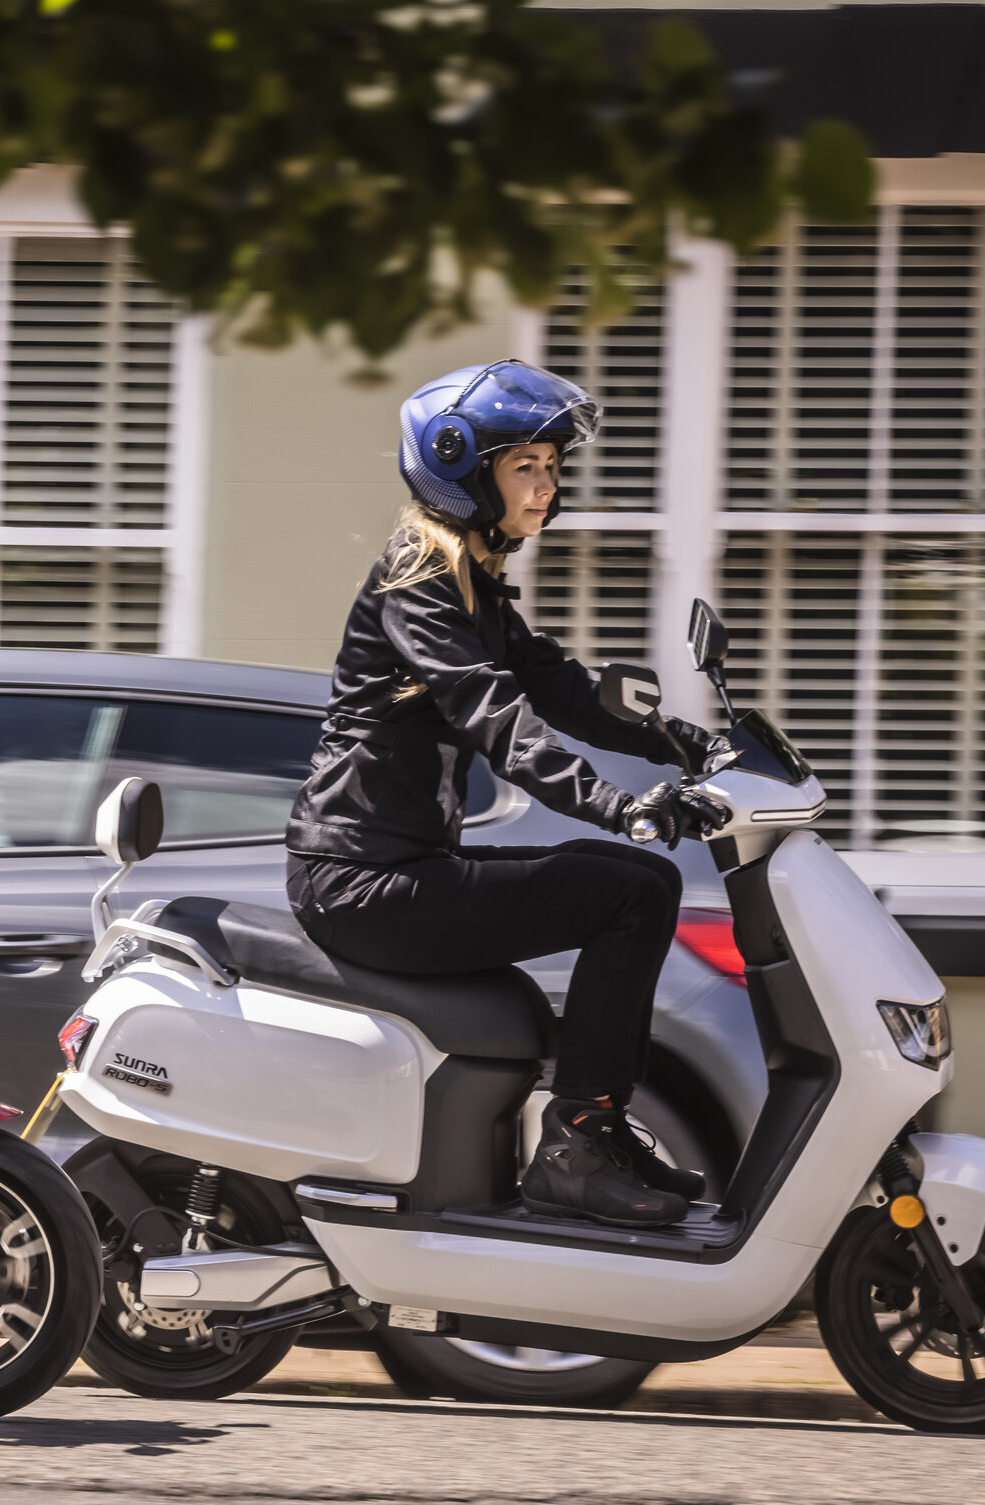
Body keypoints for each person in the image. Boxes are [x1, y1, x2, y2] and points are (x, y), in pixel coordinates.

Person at [284, 360, 729, 1229]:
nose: (547, 488)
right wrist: (621, 806)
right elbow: (500, 719)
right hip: (359, 882)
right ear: (459, 465)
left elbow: (558, 686)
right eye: (527, 466)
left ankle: (593, 1128)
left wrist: (688, 743)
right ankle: (577, 1144)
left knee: (633, 888)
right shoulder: (419, 582)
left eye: (555, 468)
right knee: (631, 890)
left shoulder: (470, 582)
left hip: (398, 869)